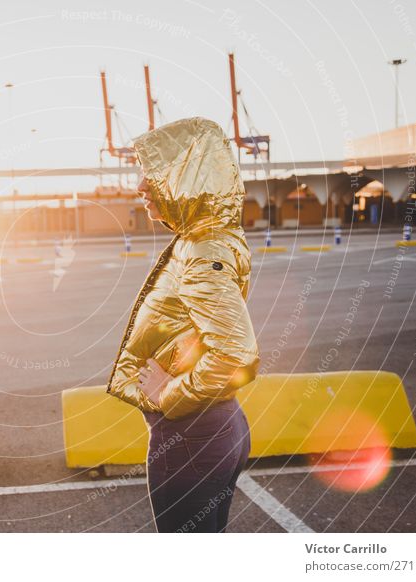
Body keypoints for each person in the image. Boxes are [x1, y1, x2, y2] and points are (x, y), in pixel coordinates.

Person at [105, 117, 259, 533]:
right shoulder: (207, 236)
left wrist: (170, 395)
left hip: (191, 434)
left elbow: (236, 354)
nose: (139, 186)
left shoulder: (203, 250)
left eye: (152, 174)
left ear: (185, 179)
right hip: (213, 425)